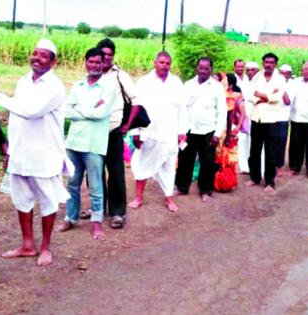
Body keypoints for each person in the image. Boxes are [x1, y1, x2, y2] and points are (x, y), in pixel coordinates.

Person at [0, 39, 72, 266]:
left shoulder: (54, 86)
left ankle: (45, 247)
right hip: (21, 152)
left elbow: (32, 112)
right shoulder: (24, 81)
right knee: (21, 199)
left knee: (48, 201)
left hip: (44, 155)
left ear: (53, 62)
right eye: (35, 54)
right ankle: (27, 245)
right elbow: (16, 119)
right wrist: (9, 150)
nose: (37, 58)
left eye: (43, 55)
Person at [56, 47, 117, 239]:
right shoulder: (78, 86)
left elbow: (101, 114)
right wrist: (89, 108)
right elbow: (67, 111)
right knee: (72, 184)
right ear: (86, 62)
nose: (94, 65)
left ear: (103, 64)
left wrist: (80, 109)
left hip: (93, 144)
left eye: (98, 62)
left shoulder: (109, 87)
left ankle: (96, 223)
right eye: (91, 61)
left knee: (96, 186)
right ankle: (70, 217)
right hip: (74, 142)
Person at [128, 51, 187, 212]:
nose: (164, 66)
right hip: (149, 133)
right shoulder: (144, 82)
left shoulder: (176, 83)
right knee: (142, 164)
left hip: (170, 133)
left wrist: (182, 131)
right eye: (161, 62)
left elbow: (182, 109)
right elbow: (136, 108)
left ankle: (169, 199)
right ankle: (139, 197)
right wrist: (135, 133)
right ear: (155, 63)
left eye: (167, 63)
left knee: (169, 166)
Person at [93, 38, 141, 229]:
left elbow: (136, 100)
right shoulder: (92, 75)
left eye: (110, 55)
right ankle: (99, 209)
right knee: (95, 172)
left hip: (113, 131)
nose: (106, 58)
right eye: (103, 54)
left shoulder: (120, 76)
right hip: (94, 132)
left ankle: (118, 212)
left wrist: (127, 125)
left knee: (116, 172)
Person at [175, 57, 226, 202]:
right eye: (201, 68)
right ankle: (182, 187)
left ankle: (205, 190)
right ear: (196, 68)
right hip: (189, 129)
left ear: (211, 70)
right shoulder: (188, 84)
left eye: (206, 68)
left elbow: (222, 112)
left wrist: (217, 133)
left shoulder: (216, 87)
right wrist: (181, 130)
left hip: (208, 131)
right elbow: (182, 108)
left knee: (207, 162)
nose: (203, 71)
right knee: (185, 160)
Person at [246, 52, 286, 192]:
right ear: (263, 63)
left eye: (271, 62)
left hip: (272, 120)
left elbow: (277, 97)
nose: (268, 65)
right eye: (266, 62)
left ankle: (270, 182)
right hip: (256, 118)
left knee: (271, 152)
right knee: (254, 151)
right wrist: (263, 97)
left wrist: (261, 95)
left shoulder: (280, 79)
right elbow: (250, 94)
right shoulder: (256, 77)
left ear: (275, 64)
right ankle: (254, 178)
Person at [237, 61, 260, 174]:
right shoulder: (243, 82)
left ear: (257, 71)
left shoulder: (260, 82)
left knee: (254, 142)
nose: (250, 72)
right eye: (248, 70)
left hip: (255, 116)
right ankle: (243, 167)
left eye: (253, 70)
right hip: (242, 115)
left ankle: (253, 167)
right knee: (242, 140)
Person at [277, 64, 293, 176]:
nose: (283, 75)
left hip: (283, 118)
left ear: (289, 74)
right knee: (270, 144)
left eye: (286, 73)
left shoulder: (292, 85)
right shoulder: (274, 82)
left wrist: (281, 89)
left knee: (281, 144)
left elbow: (287, 101)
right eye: (281, 72)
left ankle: (279, 166)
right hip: (271, 118)